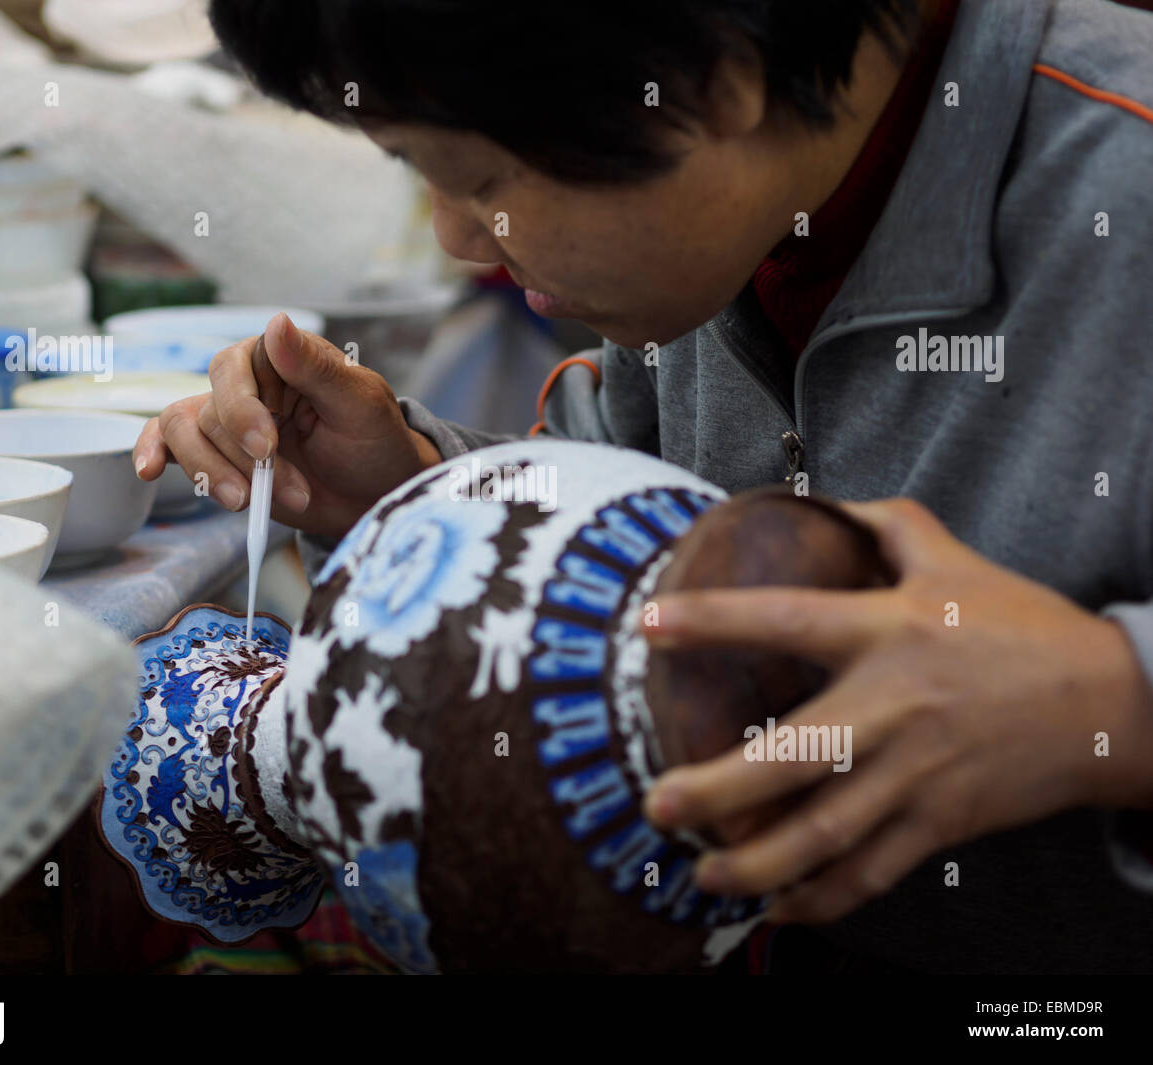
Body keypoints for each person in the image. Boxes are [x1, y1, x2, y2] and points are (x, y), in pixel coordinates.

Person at [132, 0, 1153, 972]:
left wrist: (1106, 698)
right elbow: (620, 489)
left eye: (481, 175)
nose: (457, 234)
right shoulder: (718, 231)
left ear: (716, 78)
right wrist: (415, 486)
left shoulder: (1123, 190)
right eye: (419, 169)